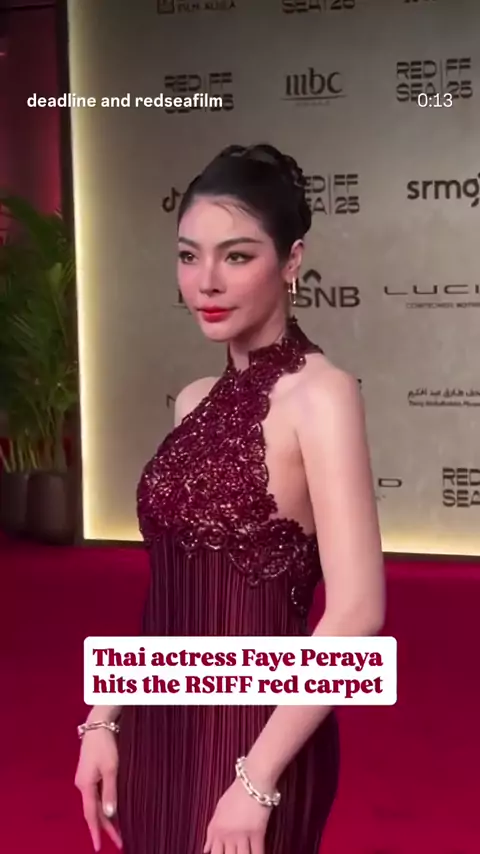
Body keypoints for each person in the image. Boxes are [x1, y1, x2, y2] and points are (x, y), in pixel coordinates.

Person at [74, 143, 385, 854]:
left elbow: (359, 612)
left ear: (292, 259)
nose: (206, 282)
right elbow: (172, 593)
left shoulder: (322, 395)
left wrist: (257, 781)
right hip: (160, 731)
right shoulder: (192, 401)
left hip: (260, 739)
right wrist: (104, 715)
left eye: (237, 256)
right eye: (189, 257)